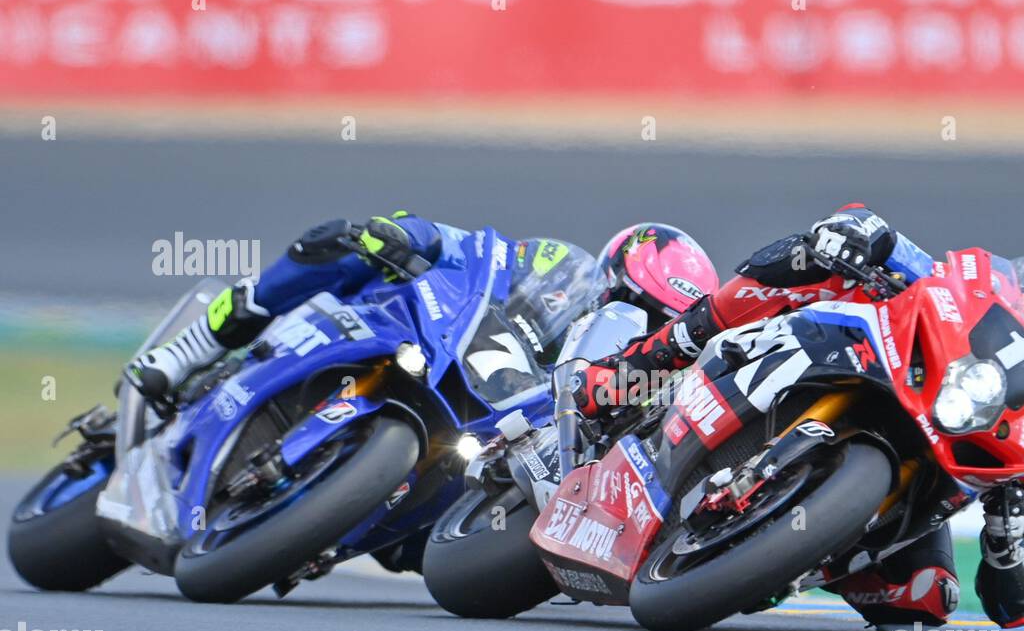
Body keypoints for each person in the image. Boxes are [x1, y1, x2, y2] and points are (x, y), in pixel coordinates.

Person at [573, 204, 1024, 630]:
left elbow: (1019, 606)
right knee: (817, 262)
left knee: (925, 601)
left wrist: (1006, 545)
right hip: (869, 364)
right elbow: (905, 253)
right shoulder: (996, 302)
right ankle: (641, 365)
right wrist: (864, 234)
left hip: (911, 493)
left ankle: (781, 559)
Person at [124, 214, 716, 400]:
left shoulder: (635, 379)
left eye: (657, 321)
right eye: (631, 302)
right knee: (342, 241)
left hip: (478, 429)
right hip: (426, 332)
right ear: (609, 274)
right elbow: (478, 250)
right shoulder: (556, 270)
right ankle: (192, 349)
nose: (637, 324)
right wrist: (414, 234)